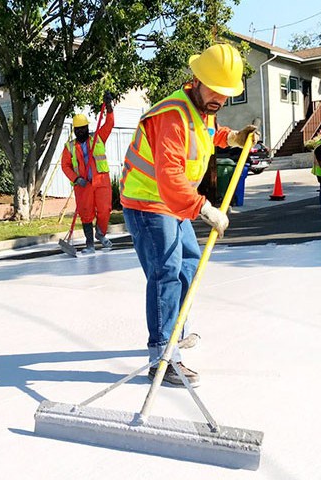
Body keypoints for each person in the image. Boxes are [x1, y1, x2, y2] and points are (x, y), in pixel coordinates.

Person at [120, 43, 259, 387]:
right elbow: (170, 179)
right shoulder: (172, 116)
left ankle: (174, 331)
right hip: (148, 201)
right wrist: (205, 209)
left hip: (173, 203)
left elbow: (208, 136)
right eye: (214, 90)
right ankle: (162, 356)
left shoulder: (202, 110)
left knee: (188, 264)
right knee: (166, 271)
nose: (219, 99)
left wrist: (234, 137)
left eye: (225, 94)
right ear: (196, 79)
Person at [61, 92, 116, 255]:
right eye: (77, 129)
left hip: (101, 182)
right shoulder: (69, 146)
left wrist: (109, 107)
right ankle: (90, 244)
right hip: (83, 185)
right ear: (74, 130)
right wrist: (76, 179)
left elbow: (109, 124)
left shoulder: (98, 138)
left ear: (87, 128)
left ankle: (100, 233)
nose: (80, 132)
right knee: (86, 214)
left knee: (105, 209)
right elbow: (65, 166)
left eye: (83, 128)